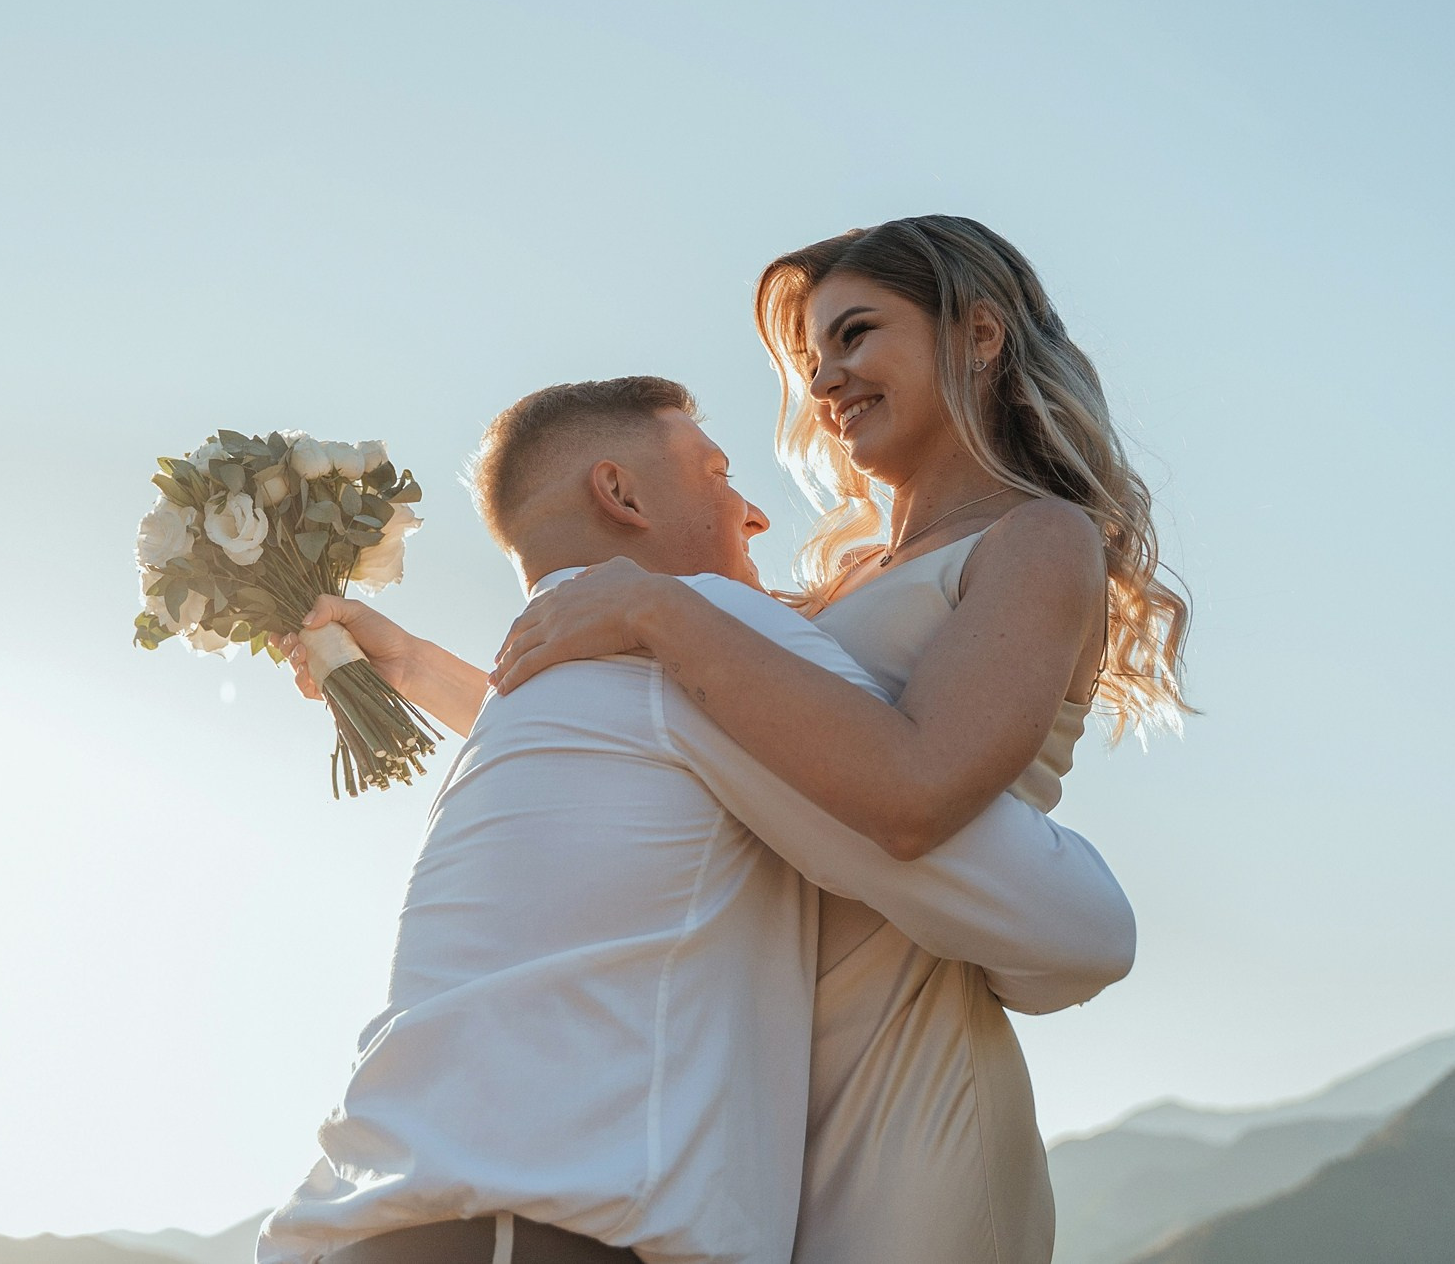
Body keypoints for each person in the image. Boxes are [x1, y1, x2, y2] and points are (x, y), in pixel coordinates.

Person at [257, 376, 1135, 1264]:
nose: (753, 515)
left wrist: (408, 663)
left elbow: (646, 751)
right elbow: (1075, 929)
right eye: (716, 474)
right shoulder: (698, 629)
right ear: (622, 493)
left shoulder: (524, 717)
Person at [489, 216, 1192, 1263]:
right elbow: (676, 750)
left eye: (856, 335)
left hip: (909, 1079)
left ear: (979, 336)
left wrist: (656, 612)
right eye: (814, 355)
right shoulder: (830, 584)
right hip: (761, 1091)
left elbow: (916, 792)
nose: (826, 378)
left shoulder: (1036, 539)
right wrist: (391, 662)